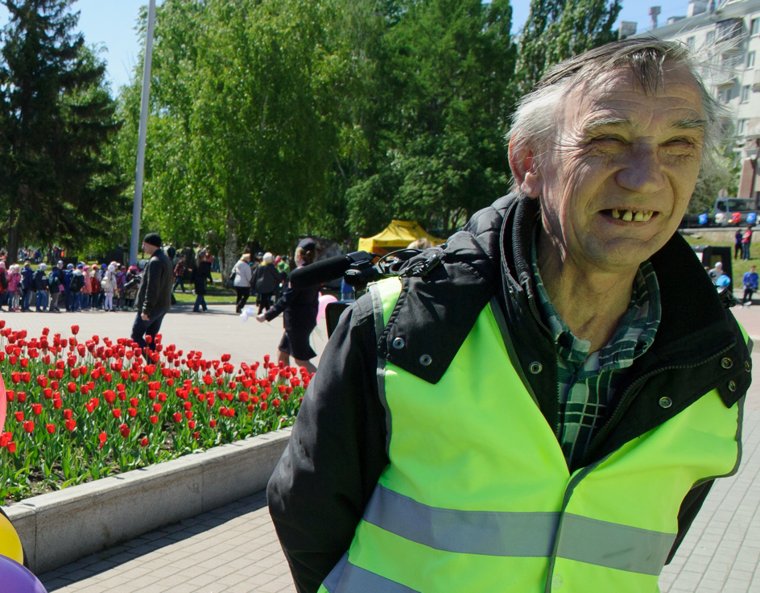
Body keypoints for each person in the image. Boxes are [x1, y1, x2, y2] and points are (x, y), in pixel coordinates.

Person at [266, 39, 752, 593]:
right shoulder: (405, 323)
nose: (644, 177)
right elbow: (307, 516)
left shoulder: (716, 362)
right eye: (608, 139)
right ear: (529, 163)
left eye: (678, 145)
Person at [256, 238, 319, 374]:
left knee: (301, 360)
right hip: (303, 321)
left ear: (299, 255)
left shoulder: (298, 274)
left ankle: (324, 387)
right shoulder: (313, 272)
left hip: (296, 322)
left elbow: (287, 299)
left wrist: (267, 315)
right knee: (282, 354)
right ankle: (282, 386)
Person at [131, 233, 173, 353]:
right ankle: (154, 369)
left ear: (150, 244)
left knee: (136, 336)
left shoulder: (155, 261)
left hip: (153, 307)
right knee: (151, 337)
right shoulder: (165, 259)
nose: (143, 247)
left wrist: (146, 309)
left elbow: (152, 287)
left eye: (144, 245)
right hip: (162, 305)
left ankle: (152, 363)